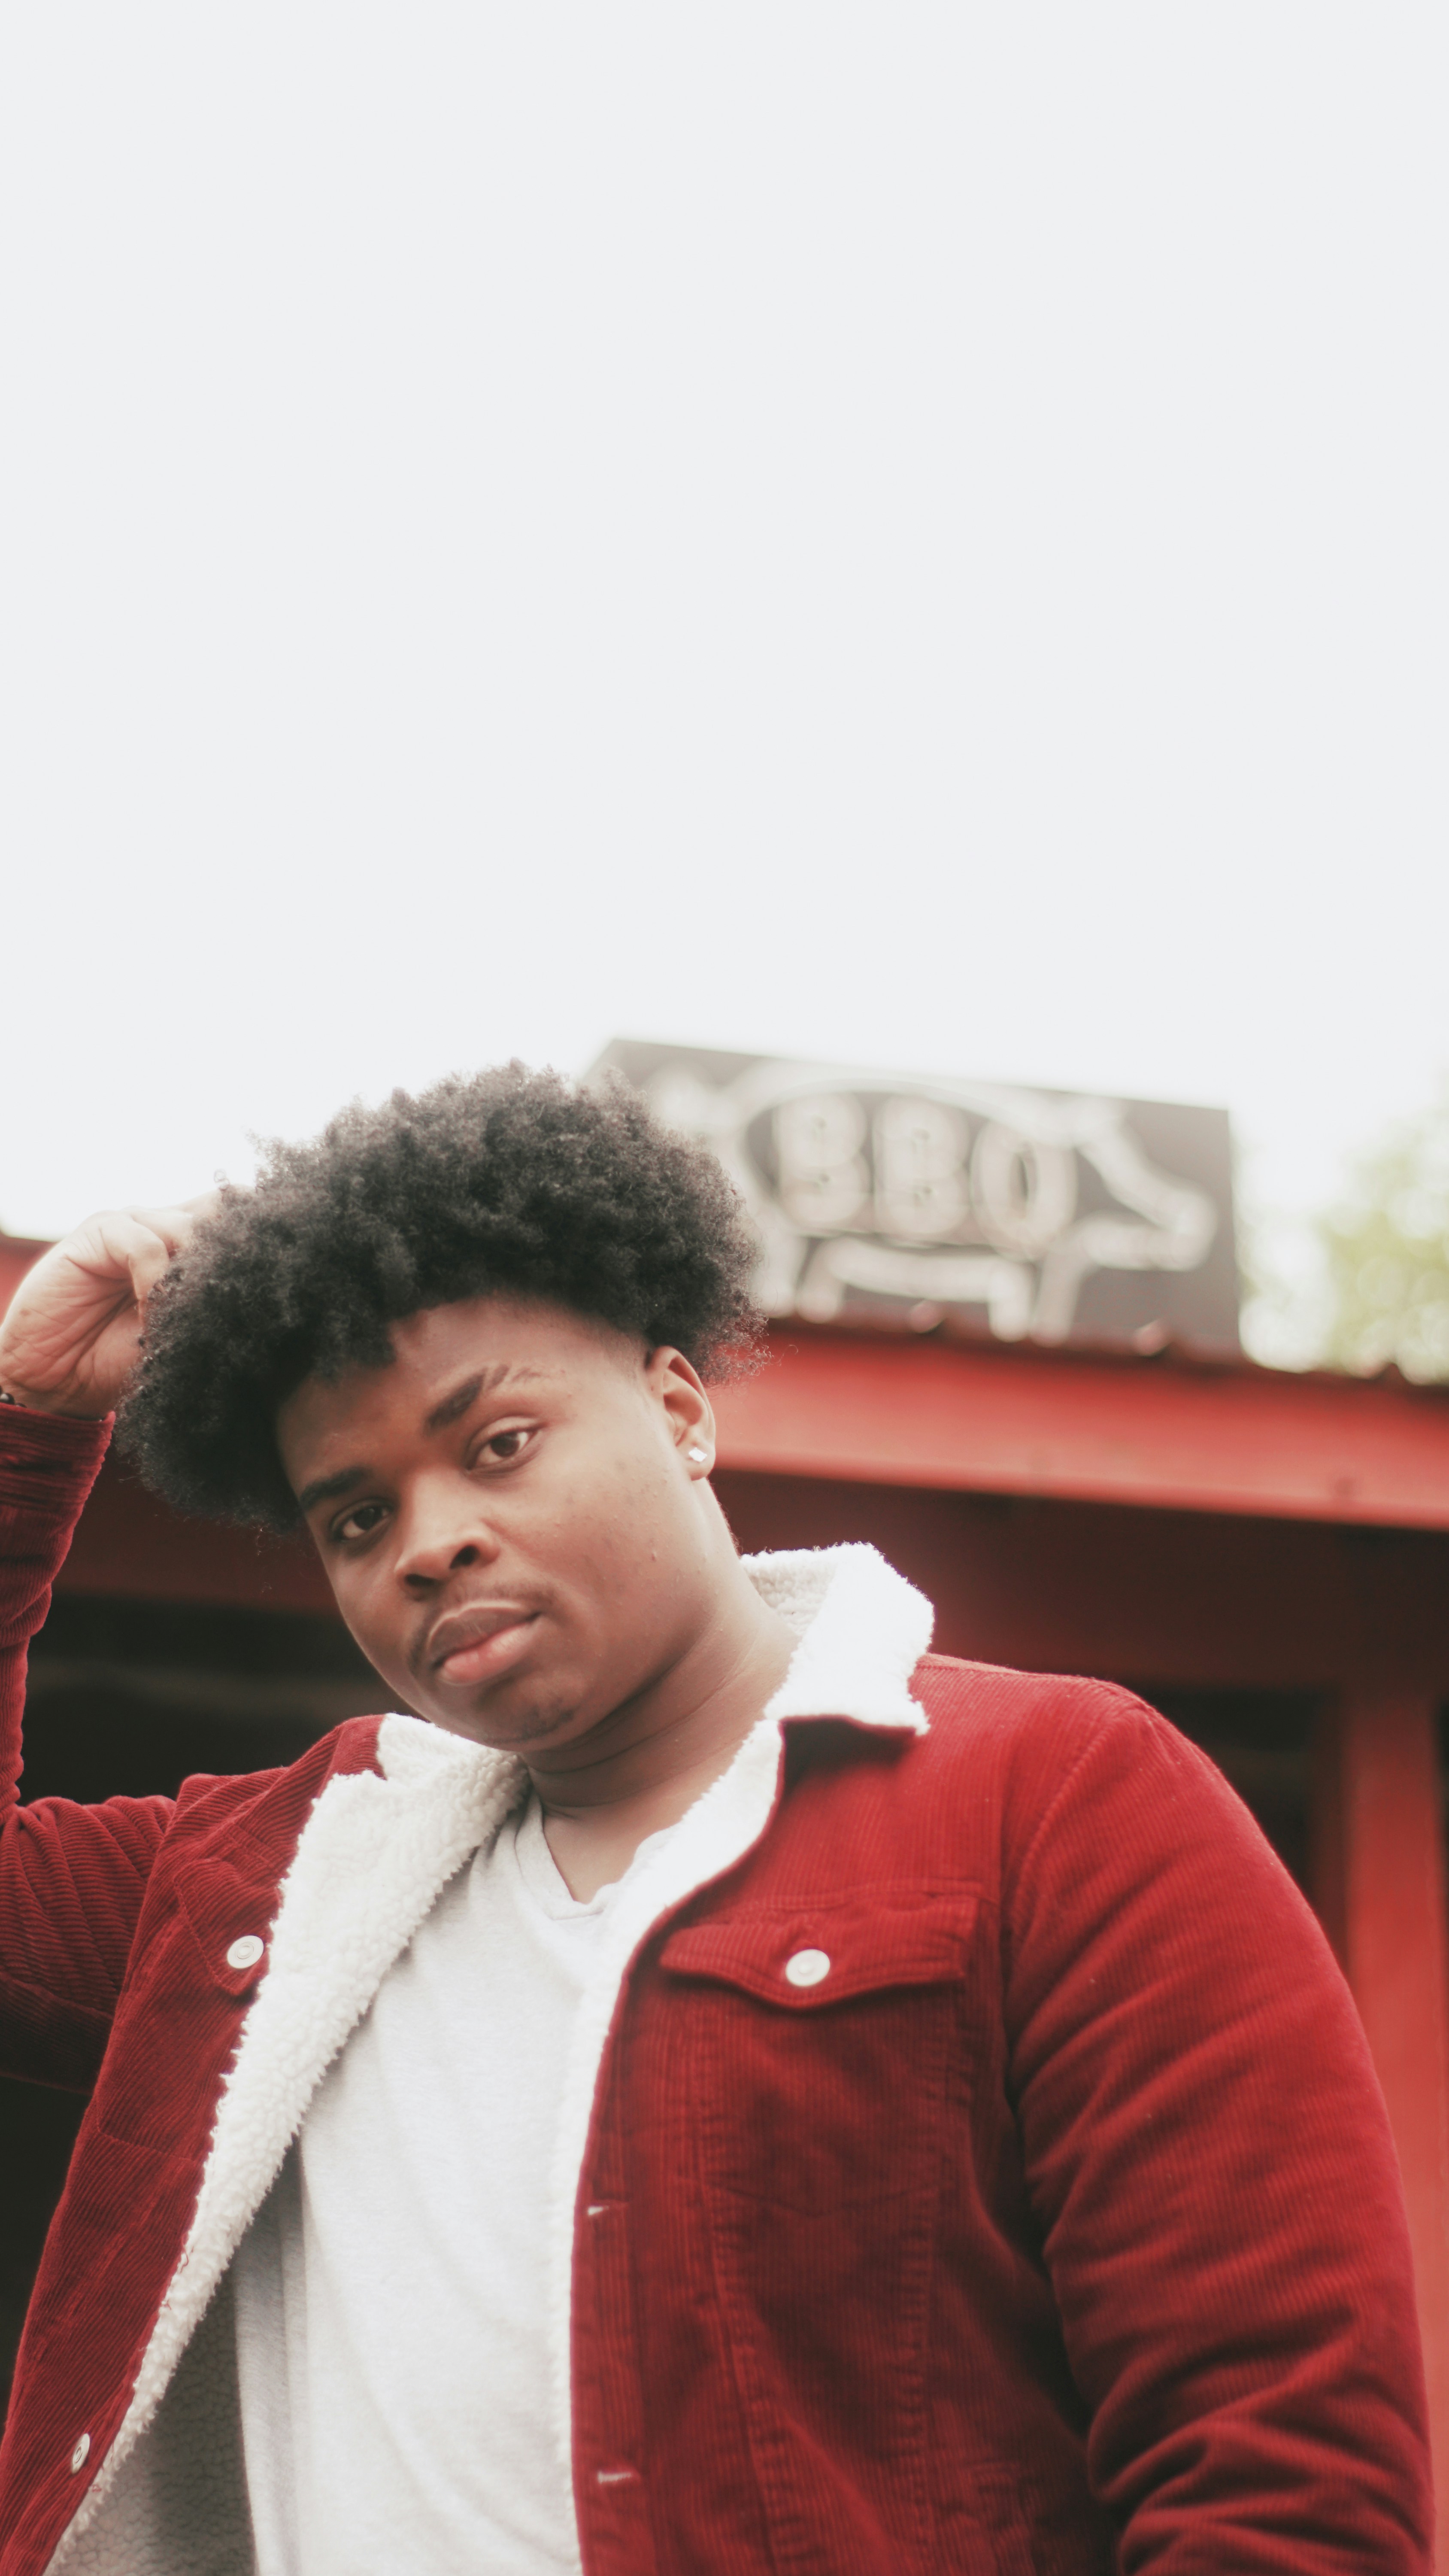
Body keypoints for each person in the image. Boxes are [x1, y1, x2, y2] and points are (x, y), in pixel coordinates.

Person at [0, 1064, 1431, 2576]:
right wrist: (25, 1424)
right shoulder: (272, 1886)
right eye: (357, 1517)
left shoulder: (1057, 1797)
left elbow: (1284, 2477)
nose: (431, 1542)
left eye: (498, 1443)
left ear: (680, 1408)